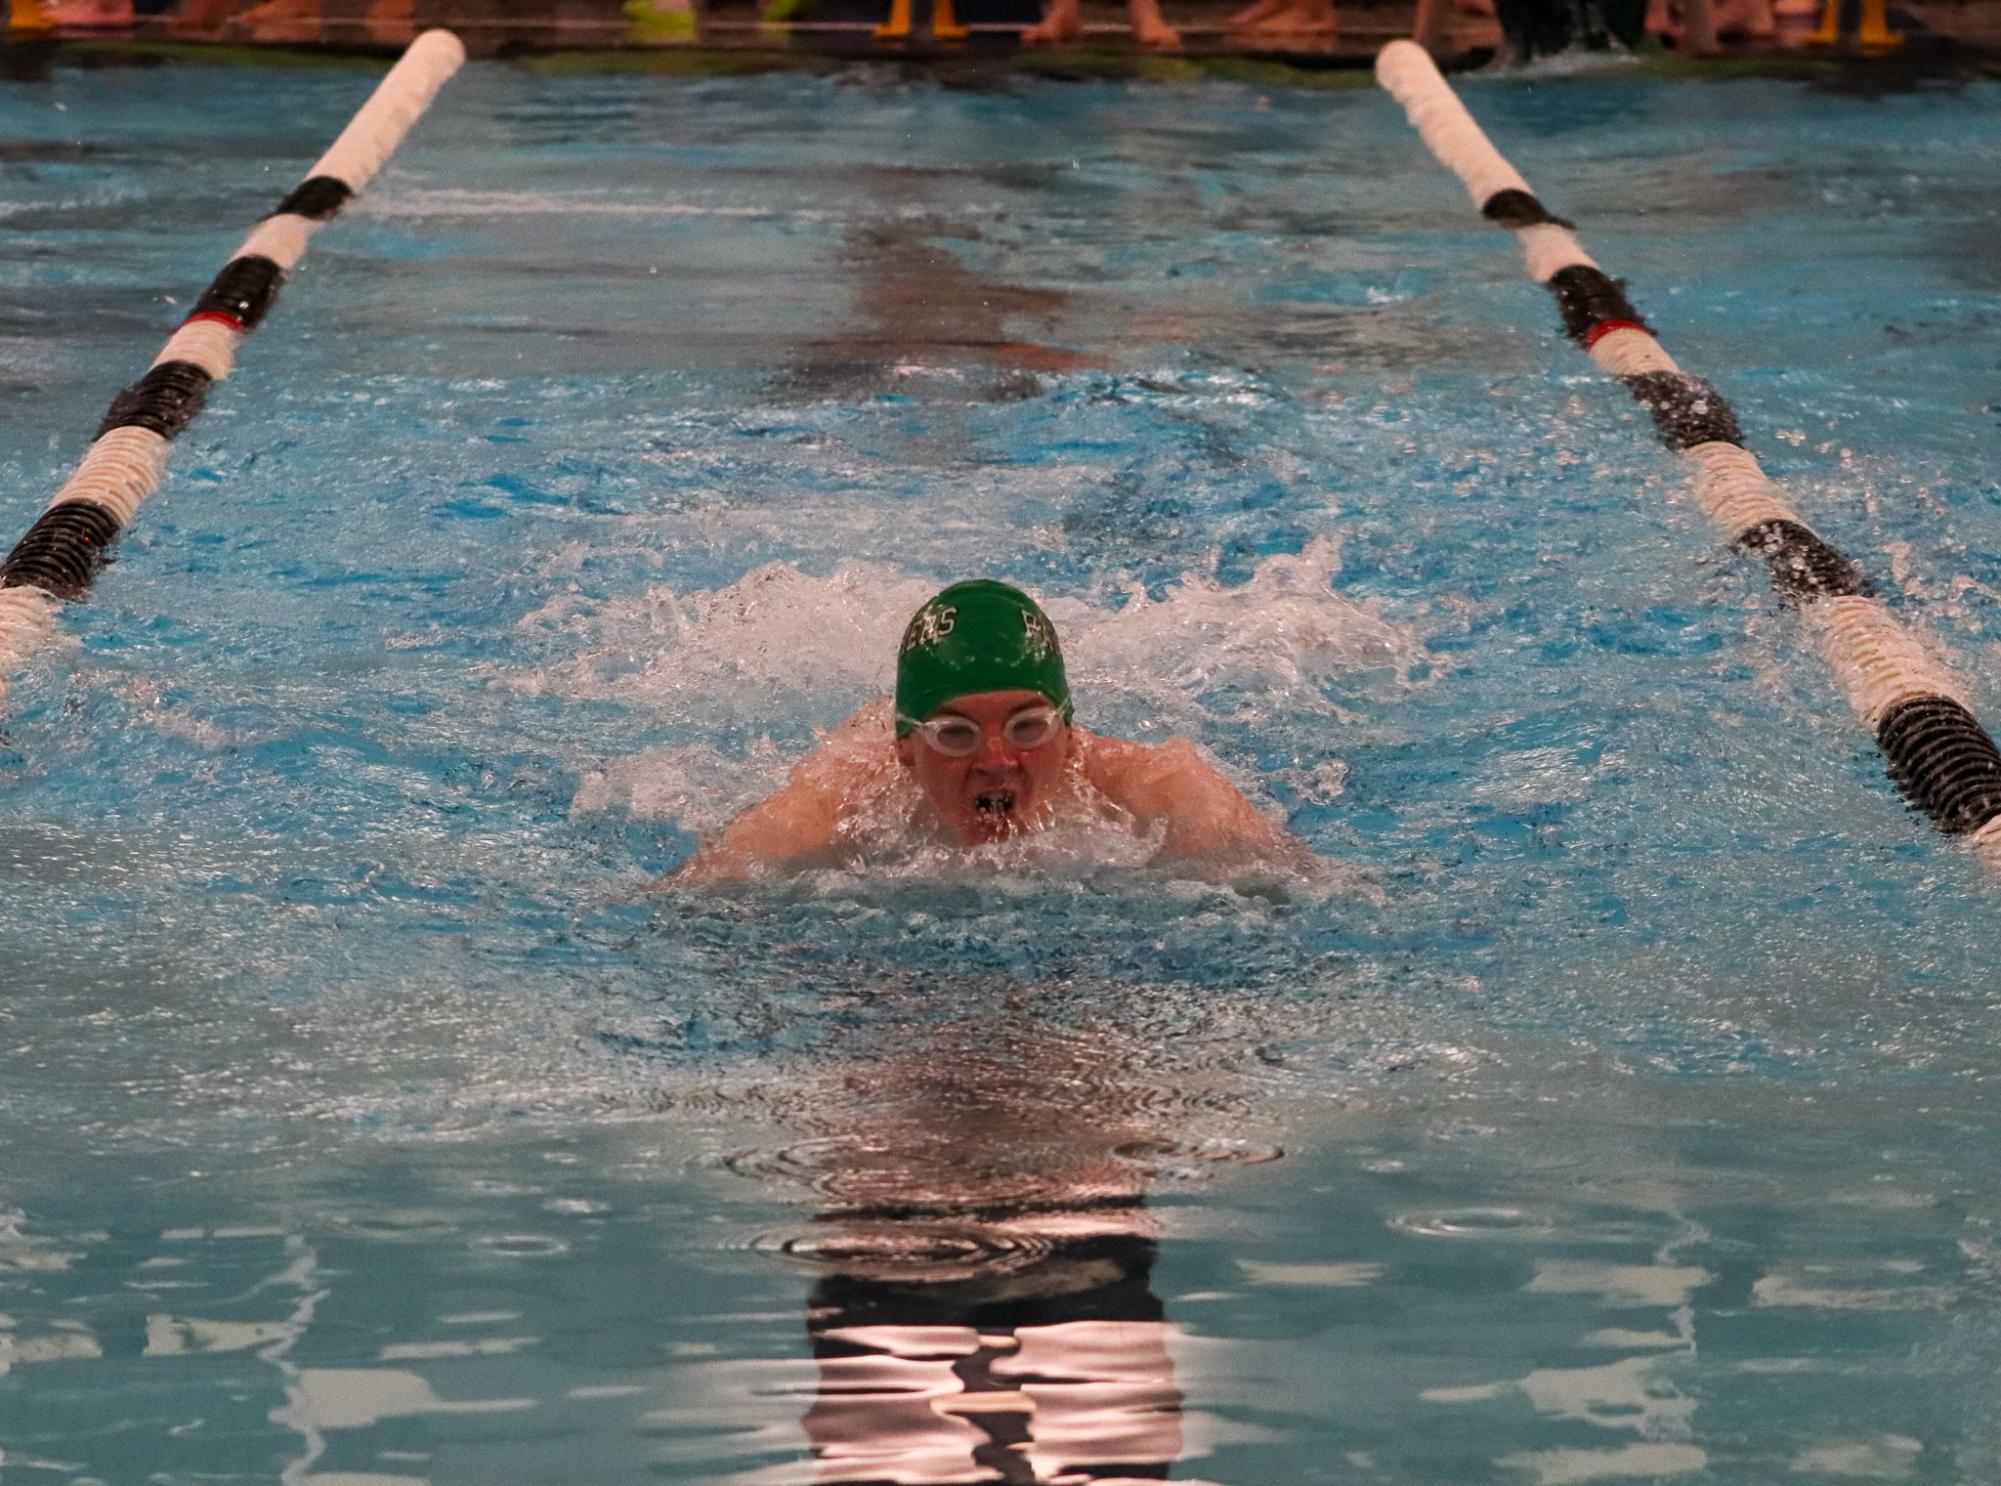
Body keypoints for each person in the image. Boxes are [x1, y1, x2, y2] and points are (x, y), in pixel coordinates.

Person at [671, 579, 1315, 883]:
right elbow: (696, 897)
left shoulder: (1162, 789)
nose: (997, 760)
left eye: (1028, 726)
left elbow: (1312, 893)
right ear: (906, 747)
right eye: (956, 735)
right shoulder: (835, 801)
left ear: (1069, 731)